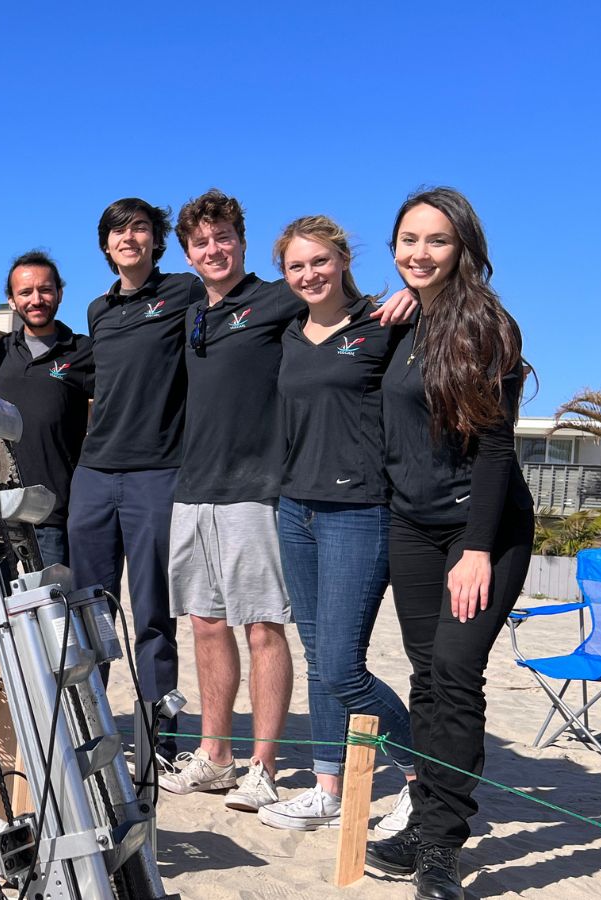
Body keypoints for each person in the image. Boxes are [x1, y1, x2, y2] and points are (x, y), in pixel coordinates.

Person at [364, 188, 533, 900]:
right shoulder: (404, 324)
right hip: (412, 524)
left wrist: (475, 548)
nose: (419, 253)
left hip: (482, 533)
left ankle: (440, 850)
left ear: (463, 247)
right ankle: (426, 824)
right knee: (427, 680)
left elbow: (496, 448)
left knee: (458, 677)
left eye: (436, 241)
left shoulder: (484, 324)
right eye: (408, 239)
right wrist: (398, 305)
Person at [261, 215, 417, 833]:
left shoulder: (385, 322)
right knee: (321, 657)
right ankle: (328, 789)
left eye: (319, 262)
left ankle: (421, 779)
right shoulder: (291, 335)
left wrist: (415, 298)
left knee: (345, 666)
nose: (309, 275)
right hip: (294, 509)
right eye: (296, 266)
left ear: (344, 259)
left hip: (360, 513)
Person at [157, 191, 296, 807]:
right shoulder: (193, 312)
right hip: (194, 489)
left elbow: (345, 310)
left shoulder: (277, 299)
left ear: (242, 240)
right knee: (207, 624)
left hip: (255, 491)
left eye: (223, 239)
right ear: (189, 255)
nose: (214, 250)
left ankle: (262, 768)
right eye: (201, 243)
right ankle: (216, 754)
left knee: (263, 628)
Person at [67, 198, 202, 758]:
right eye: (118, 231)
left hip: (157, 471)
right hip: (94, 471)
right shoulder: (97, 310)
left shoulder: (185, 292)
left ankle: (159, 728)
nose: (129, 238)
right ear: (105, 245)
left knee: (151, 610)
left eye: (140, 228)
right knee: (88, 608)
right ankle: (94, 720)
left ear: (155, 240)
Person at [0, 251, 93, 568]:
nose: (36, 299)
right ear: (12, 299)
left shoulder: (83, 352)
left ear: (59, 293)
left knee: (53, 611)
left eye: (45, 290)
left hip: (54, 513)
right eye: (25, 292)